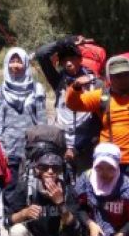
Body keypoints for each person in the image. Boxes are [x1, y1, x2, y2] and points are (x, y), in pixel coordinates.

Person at [66, 55, 129, 172]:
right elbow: (73, 104)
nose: (123, 79)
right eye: (117, 76)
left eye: (126, 74)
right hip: (108, 161)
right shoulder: (101, 96)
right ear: (109, 78)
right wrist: (76, 87)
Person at [34, 37, 102, 173]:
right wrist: (68, 40)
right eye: (64, 60)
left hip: (87, 148)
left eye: (72, 58)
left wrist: (77, 148)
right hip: (62, 146)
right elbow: (41, 54)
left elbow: (97, 122)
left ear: (80, 59)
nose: (68, 63)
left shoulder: (95, 82)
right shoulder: (59, 80)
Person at [0, 46, 48, 183]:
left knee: (31, 183)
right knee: (11, 185)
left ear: (25, 63)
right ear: (6, 64)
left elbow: (42, 119)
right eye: (12, 61)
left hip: (31, 146)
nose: (15, 65)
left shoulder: (37, 88)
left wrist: (43, 145)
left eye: (19, 61)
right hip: (9, 146)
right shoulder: (0, 90)